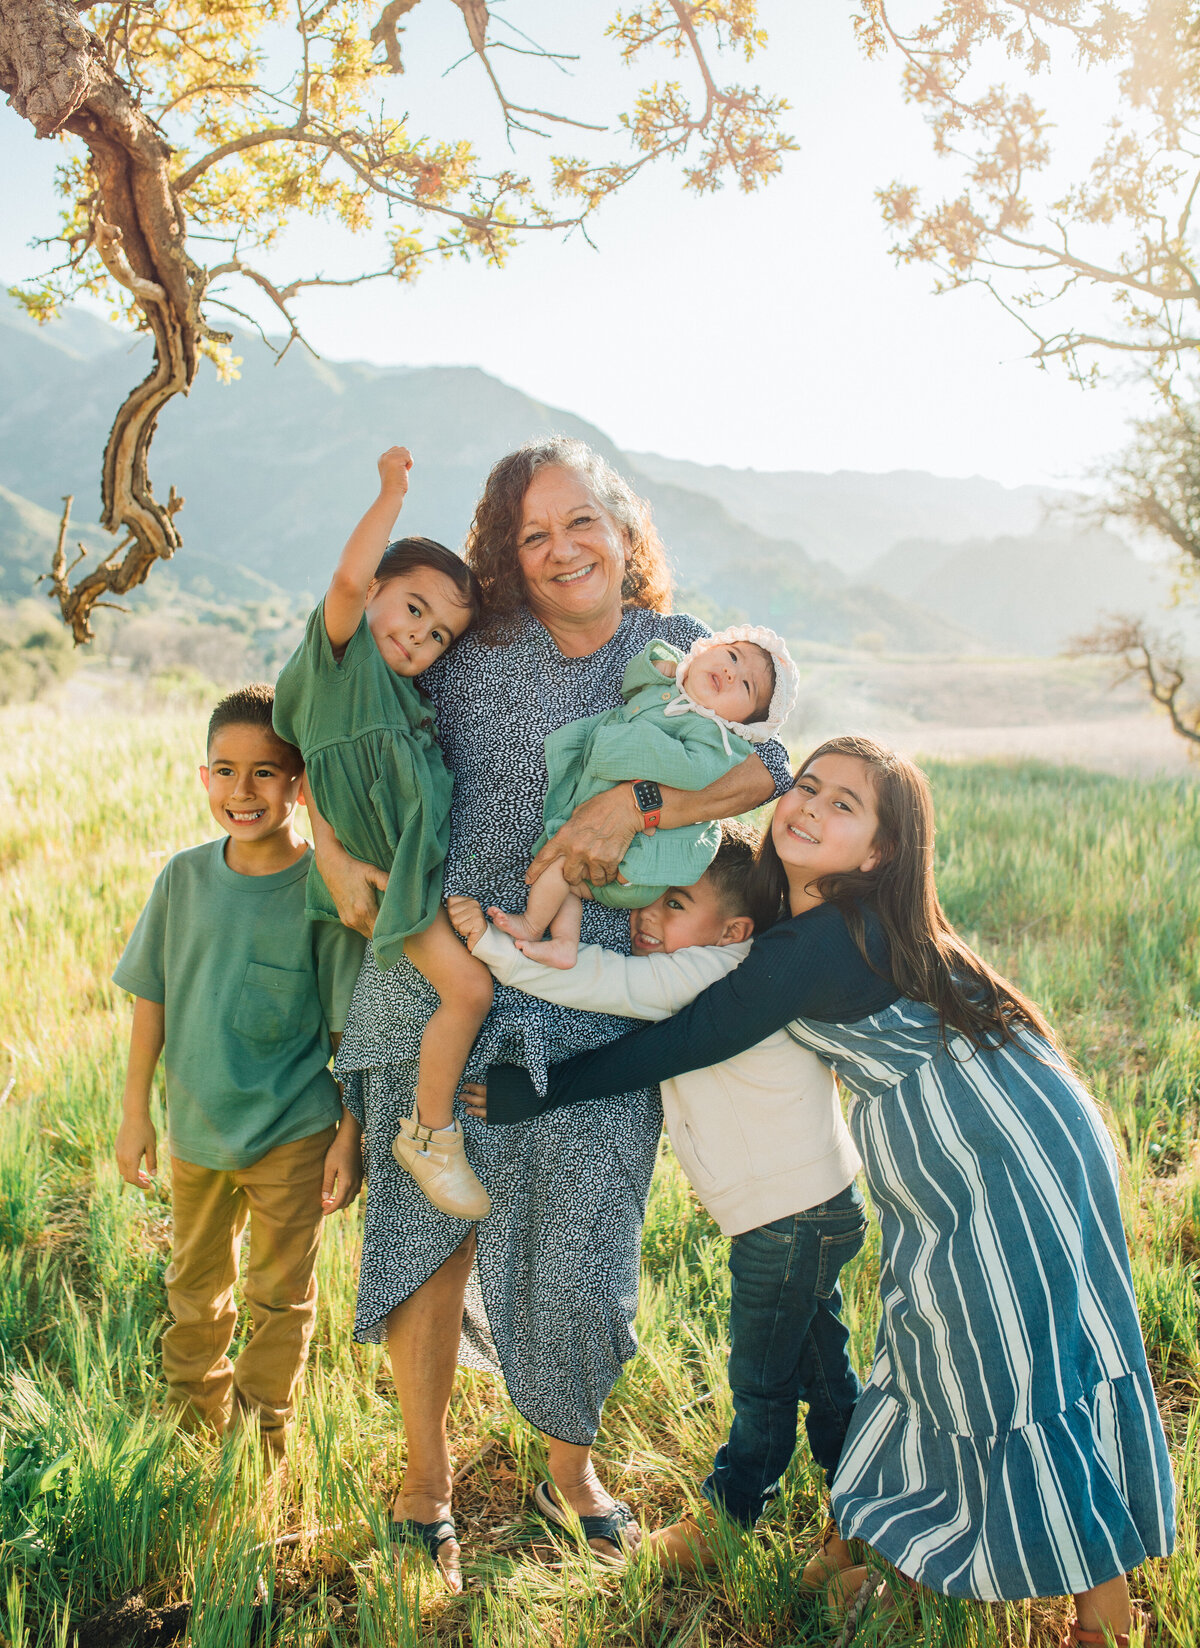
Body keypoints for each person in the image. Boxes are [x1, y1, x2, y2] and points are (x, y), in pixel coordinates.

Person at [476, 736, 1176, 1647]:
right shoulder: (801, 921)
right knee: (934, 1348)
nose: (808, 805)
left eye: (844, 804)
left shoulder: (823, 939)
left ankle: (1100, 1615)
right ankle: (880, 1547)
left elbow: (688, 1038)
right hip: (961, 1137)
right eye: (806, 786)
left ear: (879, 852)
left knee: (1009, 1360)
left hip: (995, 1143)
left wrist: (546, 1089)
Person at [310, 435, 792, 1590]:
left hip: (593, 986)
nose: (561, 547)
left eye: (581, 521)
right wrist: (330, 855)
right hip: (442, 959)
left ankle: (567, 1468)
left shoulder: (679, 653)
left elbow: (768, 764)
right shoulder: (466, 648)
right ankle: (425, 1481)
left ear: (625, 534)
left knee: (582, 1241)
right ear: (507, 558)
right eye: (533, 535)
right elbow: (327, 724)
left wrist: (636, 804)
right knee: (427, 1236)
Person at [449, 818, 867, 1579]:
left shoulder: (712, 968)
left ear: (732, 926)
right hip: (817, 1205)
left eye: (673, 902)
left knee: (765, 1384)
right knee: (824, 1373)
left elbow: (598, 981)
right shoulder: (737, 963)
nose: (646, 916)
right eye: (646, 898)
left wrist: (488, 945)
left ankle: (731, 1512)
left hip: (787, 1219)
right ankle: (862, 1524)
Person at [112, 685, 366, 1461]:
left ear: (299, 786)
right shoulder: (182, 880)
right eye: (225, 771)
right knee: (194, 1290)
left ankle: (262, 1446)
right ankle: (195, 1436)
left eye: (265, 773)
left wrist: (348, 1136)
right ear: (203, 777)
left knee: (280, 1294)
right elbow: (150, 1002)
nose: (242, 791)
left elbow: (348, 1035)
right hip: (194, 1129)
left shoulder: (323, 893)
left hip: (291, 1132)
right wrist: (135, 1114)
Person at [273, 446, 494, 1221]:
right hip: (388, 879)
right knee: (468, 989)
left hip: (412, 875)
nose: (418, 638)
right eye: (411, 609)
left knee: (362, 1015)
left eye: (438, 635)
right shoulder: (343, 661)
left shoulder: (406, 699)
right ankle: (430, 1134)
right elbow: (343, 582)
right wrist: (391, 495)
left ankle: (377, 1128)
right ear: (374, 593)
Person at [487, 627, 798, 968]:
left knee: (563, 865)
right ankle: (564, 942)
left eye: (746, 685)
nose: (730, 672)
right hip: (602, 839)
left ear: (745, 722)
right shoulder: (674, 687)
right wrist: (661, 669)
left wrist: (634, 744)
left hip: (638, 857)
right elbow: (632, 681)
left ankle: (532, 925)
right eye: (732, 656)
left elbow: (693, 770)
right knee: (569, 874)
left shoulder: (714, 734)